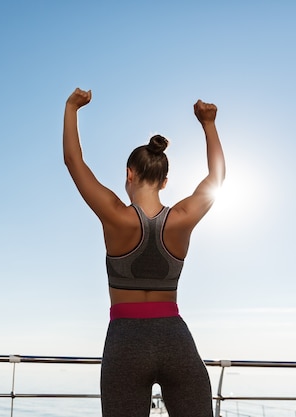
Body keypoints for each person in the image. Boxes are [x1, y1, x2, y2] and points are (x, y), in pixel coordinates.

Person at [63, 88, 225, 417]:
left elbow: (73, 161)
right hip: (175, 339)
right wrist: (208, 123)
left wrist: (72, 108)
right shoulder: (181, 219)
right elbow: (217, 177)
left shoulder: (116, 217)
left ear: (129, 174)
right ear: (165, 182)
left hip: (125, 342)